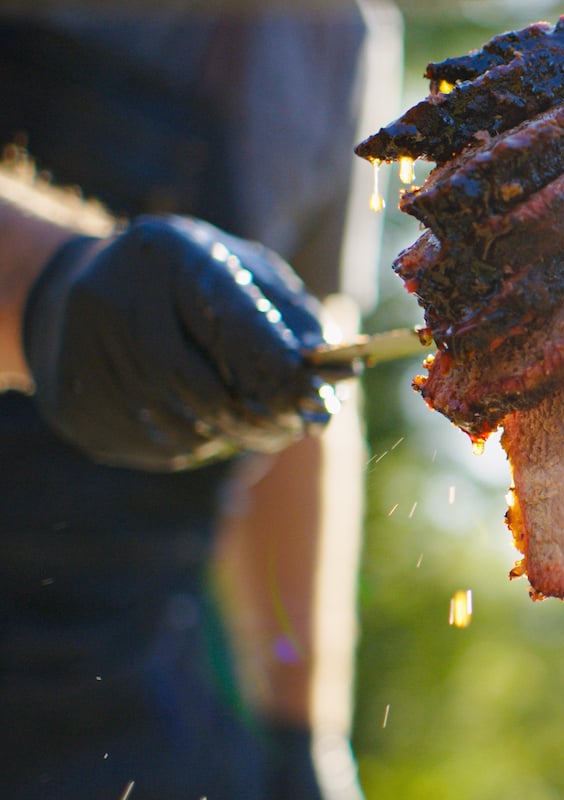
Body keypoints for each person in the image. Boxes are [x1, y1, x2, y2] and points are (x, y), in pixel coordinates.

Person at [0, 4, 399, 797]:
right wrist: (43, 284)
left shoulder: (337, 36)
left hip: (118, 674)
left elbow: (307, 394)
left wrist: (304, 731)